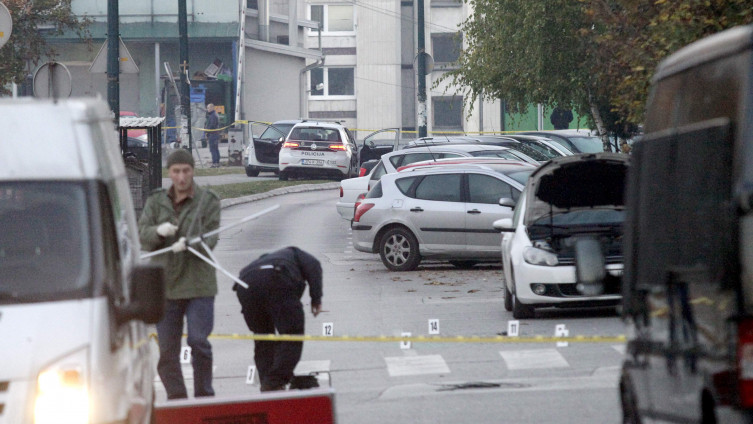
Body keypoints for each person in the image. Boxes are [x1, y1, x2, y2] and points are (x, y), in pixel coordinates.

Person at [138, 149, 221, 399]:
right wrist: (159, 233)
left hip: (199, 285)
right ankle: (178, 401)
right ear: (169, 173)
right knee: (167, 352)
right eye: (176, 171)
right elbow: (143, 236)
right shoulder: (155, 201)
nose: (181, 177)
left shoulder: (207, 200)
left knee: (199, 342)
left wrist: (189, 243)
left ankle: (204, 397)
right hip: (166, 287)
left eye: (186, 170)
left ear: (193, 171)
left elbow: (211, 237)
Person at [235, 246, 323, 392]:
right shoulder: (297, 254)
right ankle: (275, 381)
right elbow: (314, 266)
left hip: (245, 284)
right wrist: (316, 298)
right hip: (277, 279)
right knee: (292, 335)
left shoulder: (262, 261)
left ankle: (268, 382)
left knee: (263, 339)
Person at [206, 103, 221, 168]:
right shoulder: (214, 115)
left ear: (212, 108)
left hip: (213, 134)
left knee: (213, 149)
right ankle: (217, 162)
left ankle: (215, 163)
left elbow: (212, 125)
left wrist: (207, 131)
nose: (207, 109)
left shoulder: (213, 116)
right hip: (215, 134)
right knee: (215, 149)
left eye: (208, 108)